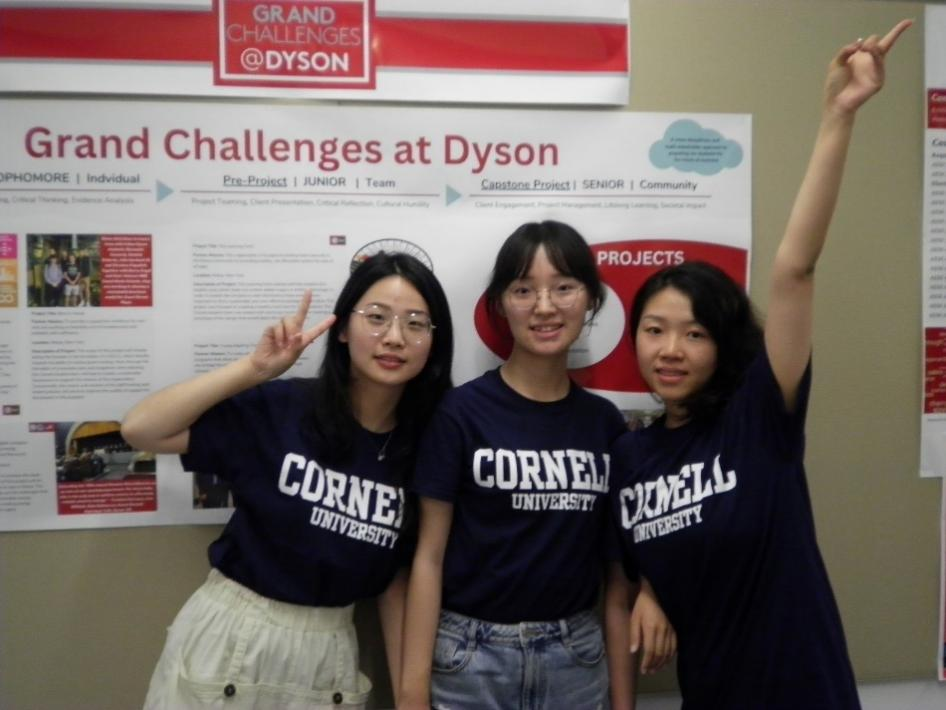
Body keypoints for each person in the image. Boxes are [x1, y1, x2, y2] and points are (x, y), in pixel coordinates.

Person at [611, 21, 912, 709]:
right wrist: (650, 589)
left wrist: (838, 115)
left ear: (723, 345)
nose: (670, 349)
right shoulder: (631, 457)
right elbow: (650, 553)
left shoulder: (759, 415)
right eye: (654, 330)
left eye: (693, 333)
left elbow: (795, 270)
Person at [121, 252, 454, 709]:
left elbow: (397, 580)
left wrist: (409, 699)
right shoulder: (284, 410)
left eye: (415, 324)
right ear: (343, 328)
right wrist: (255, 370)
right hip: (234, 634)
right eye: (376, 317)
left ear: (434, 342)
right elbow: (142, 429)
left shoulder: (423, 447)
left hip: (330, 652)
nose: (394, 337)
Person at [399, 221, 673, 710]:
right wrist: (412, 692)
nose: (545, 307)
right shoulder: (460, 414)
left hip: (576, 657)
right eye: (524, 290)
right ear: (501, 304)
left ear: (591, 300)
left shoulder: (604, 425)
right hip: (470, 658)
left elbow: (618, 580)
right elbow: (428, 559)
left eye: (564, 287)